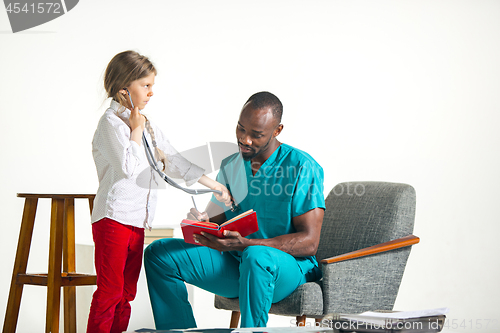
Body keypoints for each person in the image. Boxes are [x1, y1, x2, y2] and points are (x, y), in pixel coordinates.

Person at [144, 91, 325, 329]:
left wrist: (248, 245)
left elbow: (309, 242)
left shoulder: (302, 167)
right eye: (241, 129)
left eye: (256, 134)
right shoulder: (231, 165)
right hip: (236, 262)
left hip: (287, 270)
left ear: (277, 130)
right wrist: (201, 221)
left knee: (256, 256)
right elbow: (215, 220)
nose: (245, 139)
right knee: (159, 254)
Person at [88, 50, 230, 333]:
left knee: (126, 294)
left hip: (137, 222)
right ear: (124, 90)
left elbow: (174, 160)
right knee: (109, 293)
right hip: (113, 218)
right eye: (146, 85)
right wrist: (135, 131)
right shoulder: (111, 124)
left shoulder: (146, 125)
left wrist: (213, 185)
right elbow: (128, 166)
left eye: (152, 85)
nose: (152, 92)